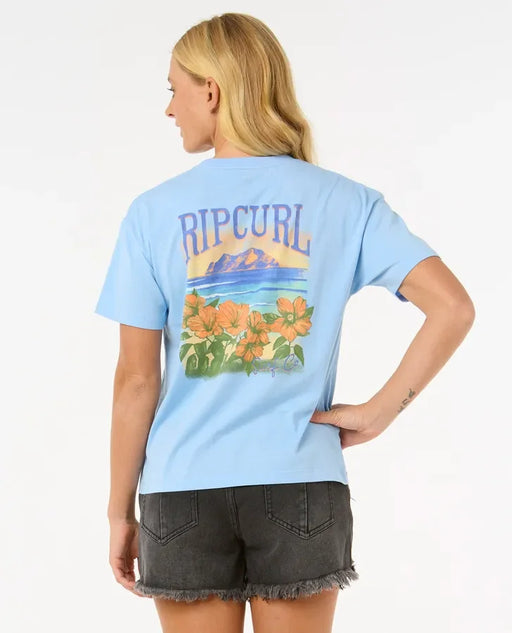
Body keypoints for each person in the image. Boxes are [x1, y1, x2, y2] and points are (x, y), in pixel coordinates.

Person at [93, 12, 475, 633]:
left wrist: (118, 512)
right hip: (301, 484)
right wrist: (380, 413)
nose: (169, 109)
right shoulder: (346, 201)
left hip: (182, 491)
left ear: (211, 91)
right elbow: (453, 307)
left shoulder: (152, 214)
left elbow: (136, 381)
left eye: (173, 90)